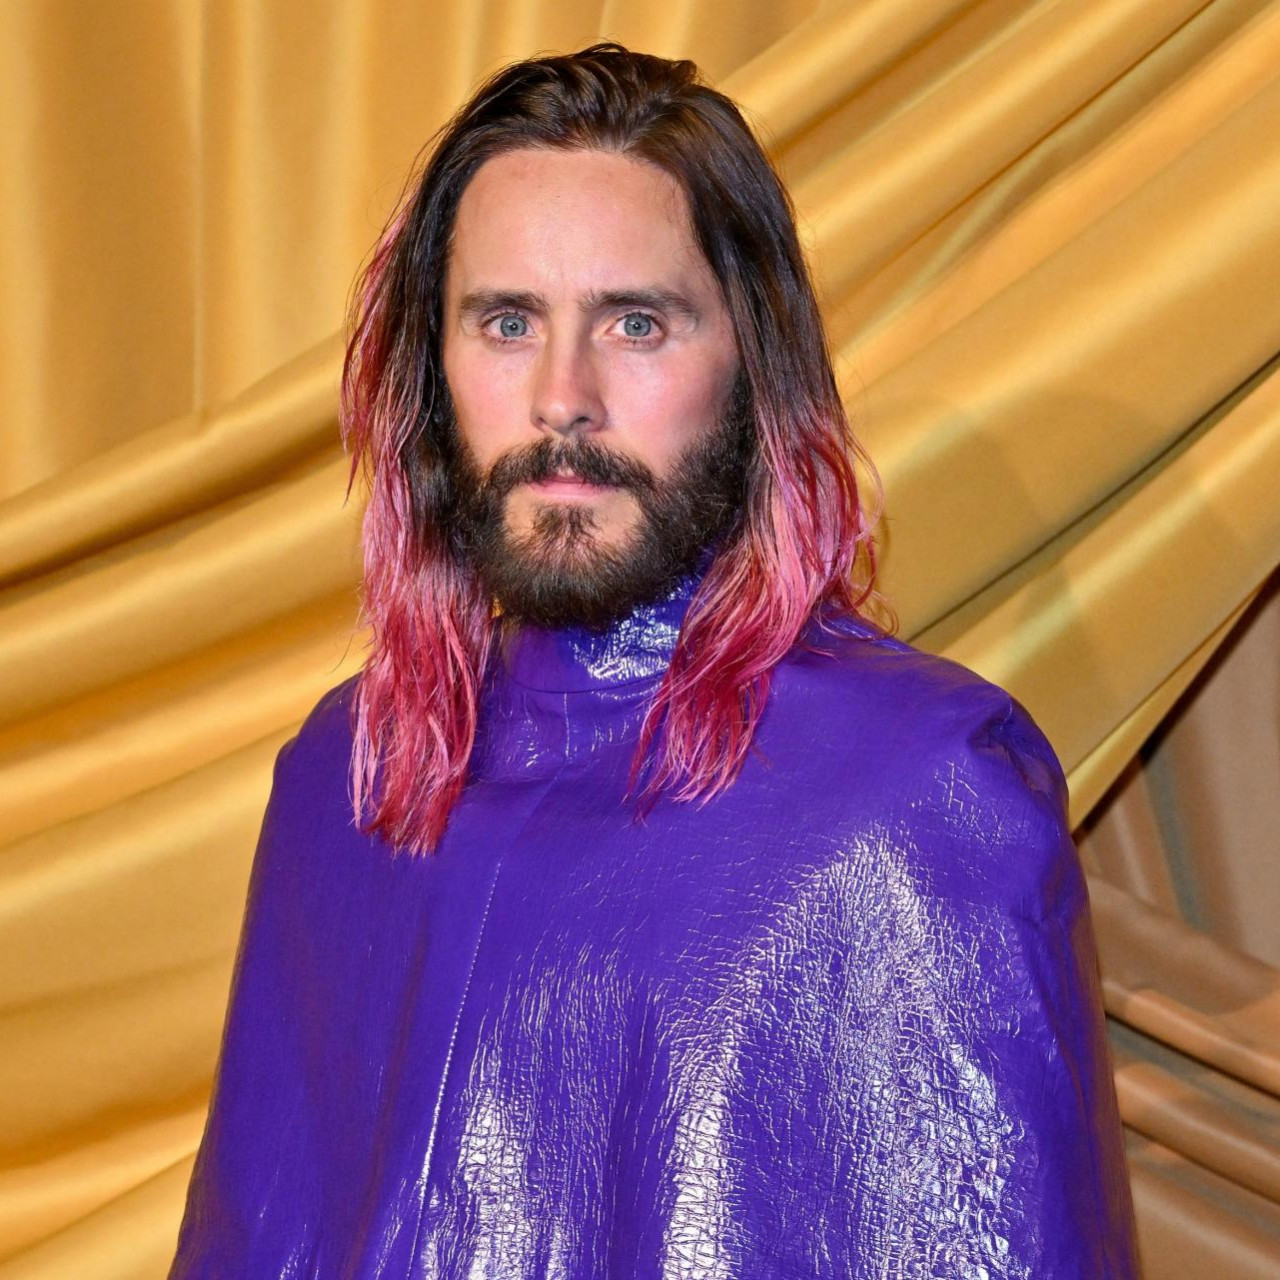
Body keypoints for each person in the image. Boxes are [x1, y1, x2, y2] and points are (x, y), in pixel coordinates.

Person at [169, 42, 1141, 1279]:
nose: (561, 397)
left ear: (752, 366)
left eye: (636, 323)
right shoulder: (344, 780)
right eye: (506, 322)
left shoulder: (920, 792)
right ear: (431, 369)